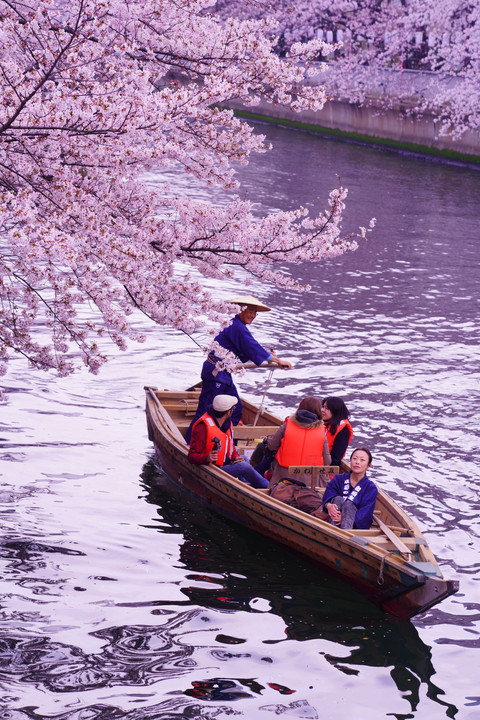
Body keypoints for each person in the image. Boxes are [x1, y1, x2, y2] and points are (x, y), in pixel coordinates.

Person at [185, 295, 291, 443]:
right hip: (216, 373)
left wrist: (269, 356)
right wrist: (277, 360)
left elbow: (248, 351)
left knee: (236, 410)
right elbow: (252, 347)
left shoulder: (237, 326)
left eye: (255, 313)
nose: (253, 316)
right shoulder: (236, 326)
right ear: (241, 309)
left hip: (224, 374)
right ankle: (191, 443)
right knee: (205, 411)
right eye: (250, 311)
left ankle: (222, 440)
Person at [265, 396, 331, 518]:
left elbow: (271, 446)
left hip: (282, 479)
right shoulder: (322, 432)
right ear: (318, 412)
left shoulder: (287, 425)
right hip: (309, 482)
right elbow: (328, 461)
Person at [188, 394, 269, 489]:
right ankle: (269, 488)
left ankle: (245, 487)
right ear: (228, 412)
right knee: (244, 467)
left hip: (224, 462)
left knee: (244, 460)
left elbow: (229, 444)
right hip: (213, 468)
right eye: (233, 408)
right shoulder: (202, 427)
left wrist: (235, 457)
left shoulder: (226, 423)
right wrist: (206, 458)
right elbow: (191, 457)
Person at [322, 447, 377, 529]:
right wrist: (329, 505)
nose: (357, 462)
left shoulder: (370, 488)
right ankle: (332, 530)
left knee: (349, 505)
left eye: (362, 460)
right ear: (350, 461)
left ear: (368, 465)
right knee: (338, 499)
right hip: (334, 519)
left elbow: (365, 513)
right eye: (354, 459)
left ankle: (345, 533)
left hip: (354, 527)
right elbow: (328, 495)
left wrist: (345, 518)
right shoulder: (338, 479)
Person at [321, 396, 353, 466]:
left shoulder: (343, 432)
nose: (322, 410)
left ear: (335, 411)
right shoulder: (323, 424)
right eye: (323, 407)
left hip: (325, 471)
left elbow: (335, 460)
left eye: (327, 408)